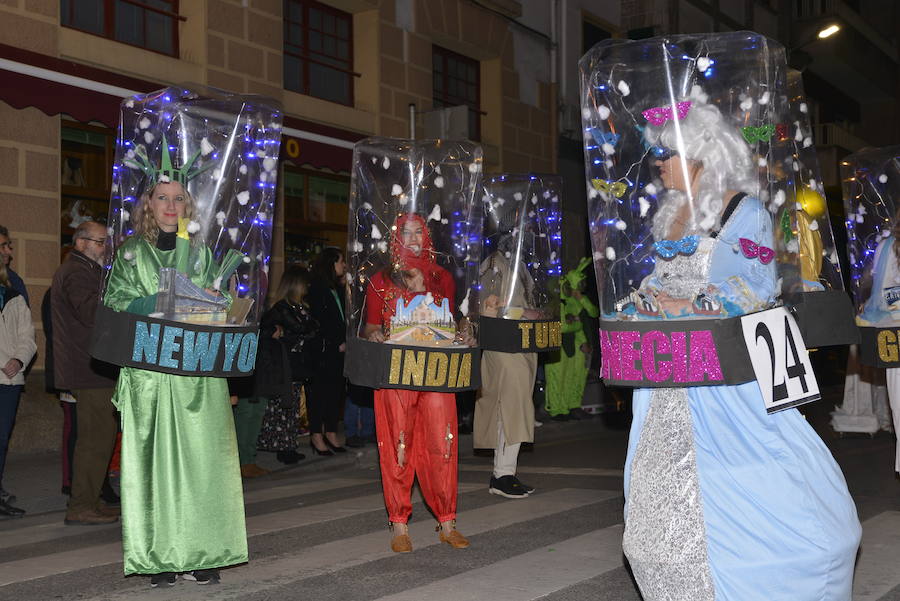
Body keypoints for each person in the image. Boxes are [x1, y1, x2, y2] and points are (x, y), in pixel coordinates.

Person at [619, 98, 860, 600]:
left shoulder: (742, 210)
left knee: (751, 476)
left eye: (667, 154)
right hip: (669, 376)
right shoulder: (670, 215)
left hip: (724, 374)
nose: (659, 164)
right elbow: (660, 279)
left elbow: (758, 285)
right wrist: (646, 298)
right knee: (661, 492)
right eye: (657, 155)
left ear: (702, 153)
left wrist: (690, 305)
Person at [104, 177, 247, 586]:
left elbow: (226, 303)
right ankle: (160, 555)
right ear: (148, 203)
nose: (170, 205)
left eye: (178, 198)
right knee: (153, 463)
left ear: (189, 205)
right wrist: (155, 302)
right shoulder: (131, 252)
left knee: (203, 463)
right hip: (148, 371)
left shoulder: (202, 253)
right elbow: (113, 305)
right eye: (162, 198)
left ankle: (202, 552)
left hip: (197, 373)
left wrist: (214, 300)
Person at [364, 213, 470, 553]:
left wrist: (464, 333)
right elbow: (367, 327)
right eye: (406, 233)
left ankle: (448, 521)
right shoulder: (380, 279)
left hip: (436, 372)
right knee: (398, 444)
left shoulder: (442, 277)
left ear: (428, 237)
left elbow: (451, 323)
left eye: (419, 232)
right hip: (396, 373)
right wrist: (376, 333)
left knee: (443, 442)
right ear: (394, 238)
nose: (413, 239)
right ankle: (399, 526)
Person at [51, 221, 120, 525]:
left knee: (101, 436)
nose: (106, 248)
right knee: (95, 438)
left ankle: (89, 499)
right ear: (80, 243)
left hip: (93, 366)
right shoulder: (77, 272)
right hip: (88, 368)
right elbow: (91, 311)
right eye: (100, 242)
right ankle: (81, 505)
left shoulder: (86, 270)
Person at [474, 247, 540, 499]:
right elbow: (487, 306)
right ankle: (501, 474)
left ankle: (506, 472)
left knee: (518, 405)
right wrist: (523, 313)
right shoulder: (494, 263)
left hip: (522, 342)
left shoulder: (519, 261)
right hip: (504, 343)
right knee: (508, 405)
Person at [256, 267, 317, 464]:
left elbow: (313, 328)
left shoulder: (301, 307)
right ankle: (282, 446)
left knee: (293, 407)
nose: (308, 286)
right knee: (283, 406)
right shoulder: (282, 308)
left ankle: (289, 443)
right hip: (284, 363)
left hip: (298, 362)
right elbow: (300, 328)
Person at [0, 260, 34, 518]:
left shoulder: (14, 297)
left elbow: (27, 337)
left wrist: (18, 359)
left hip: (9, 382)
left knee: (1, 441)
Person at [544, 258, 598, 420]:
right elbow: (563, 326)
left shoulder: (575, 301)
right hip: (557, 345)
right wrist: (576, 324)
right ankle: (556, 409)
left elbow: (592, 314)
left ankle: (570, 406)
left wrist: (582, 340)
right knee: (556, 379)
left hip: (573, 345)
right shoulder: (556, 304)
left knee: (573, 377)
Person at [307, 247, 348, 454]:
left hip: (340, 348)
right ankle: (316, 434)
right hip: (324, 350)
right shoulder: (317, 288)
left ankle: (331, 431)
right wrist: (334, 342)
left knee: (335, 392)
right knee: (320, 393)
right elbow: (319, 322)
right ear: (331, 264)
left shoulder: (337, 288)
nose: (344, 265)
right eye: (341, 261)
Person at [0, 225, 29, 305]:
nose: (9, 252)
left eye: (8, 246)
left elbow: (23, 314)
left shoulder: (14, 280)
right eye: (3, 247)